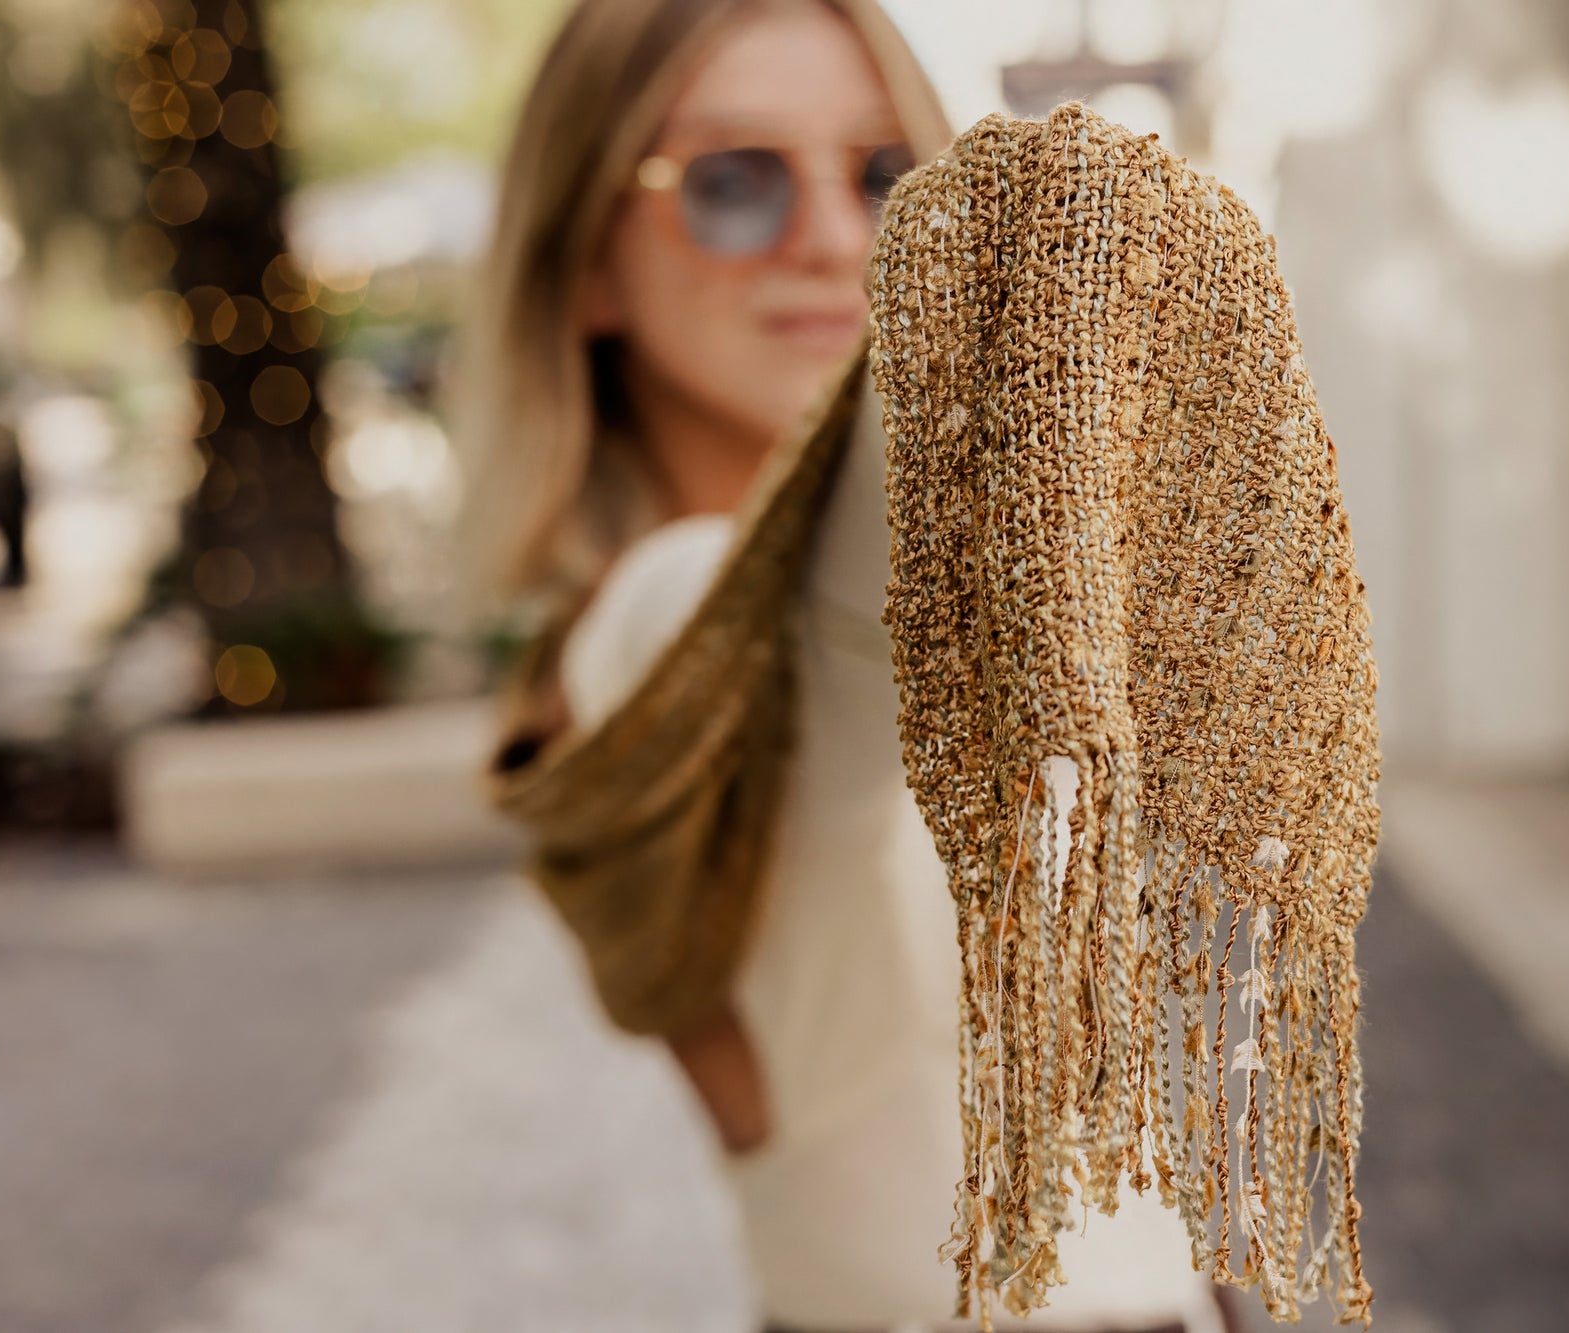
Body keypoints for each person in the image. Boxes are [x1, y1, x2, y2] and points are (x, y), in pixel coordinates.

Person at [457, 3, 1232, 1331]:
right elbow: (844, 597)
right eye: (732, 183)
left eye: (886, 177)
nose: (832, 238)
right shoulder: (668, 615)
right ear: (584, 262)